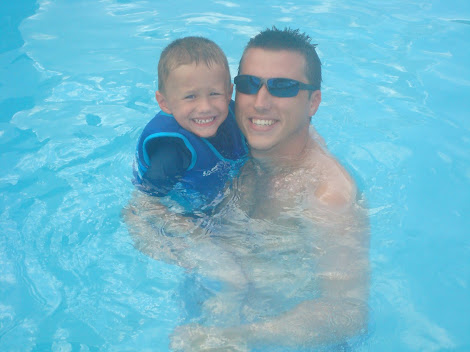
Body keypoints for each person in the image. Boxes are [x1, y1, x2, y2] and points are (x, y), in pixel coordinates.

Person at [168, 27, 370, 351]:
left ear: (313, 101)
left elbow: (347, 313)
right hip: (202, 319)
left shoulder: (328, 197)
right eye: (249, 85)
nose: (261, 103)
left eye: (283, 87)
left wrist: (235, 338)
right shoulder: (225, 141)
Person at [133, 36, 247, 212]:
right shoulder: (171, 151)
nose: (205, 107)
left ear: (229, 92)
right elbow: (143, 205)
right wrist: (192, 233)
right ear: (165, 103)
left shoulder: (237, 116)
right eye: (190, 96)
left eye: (214, 93)